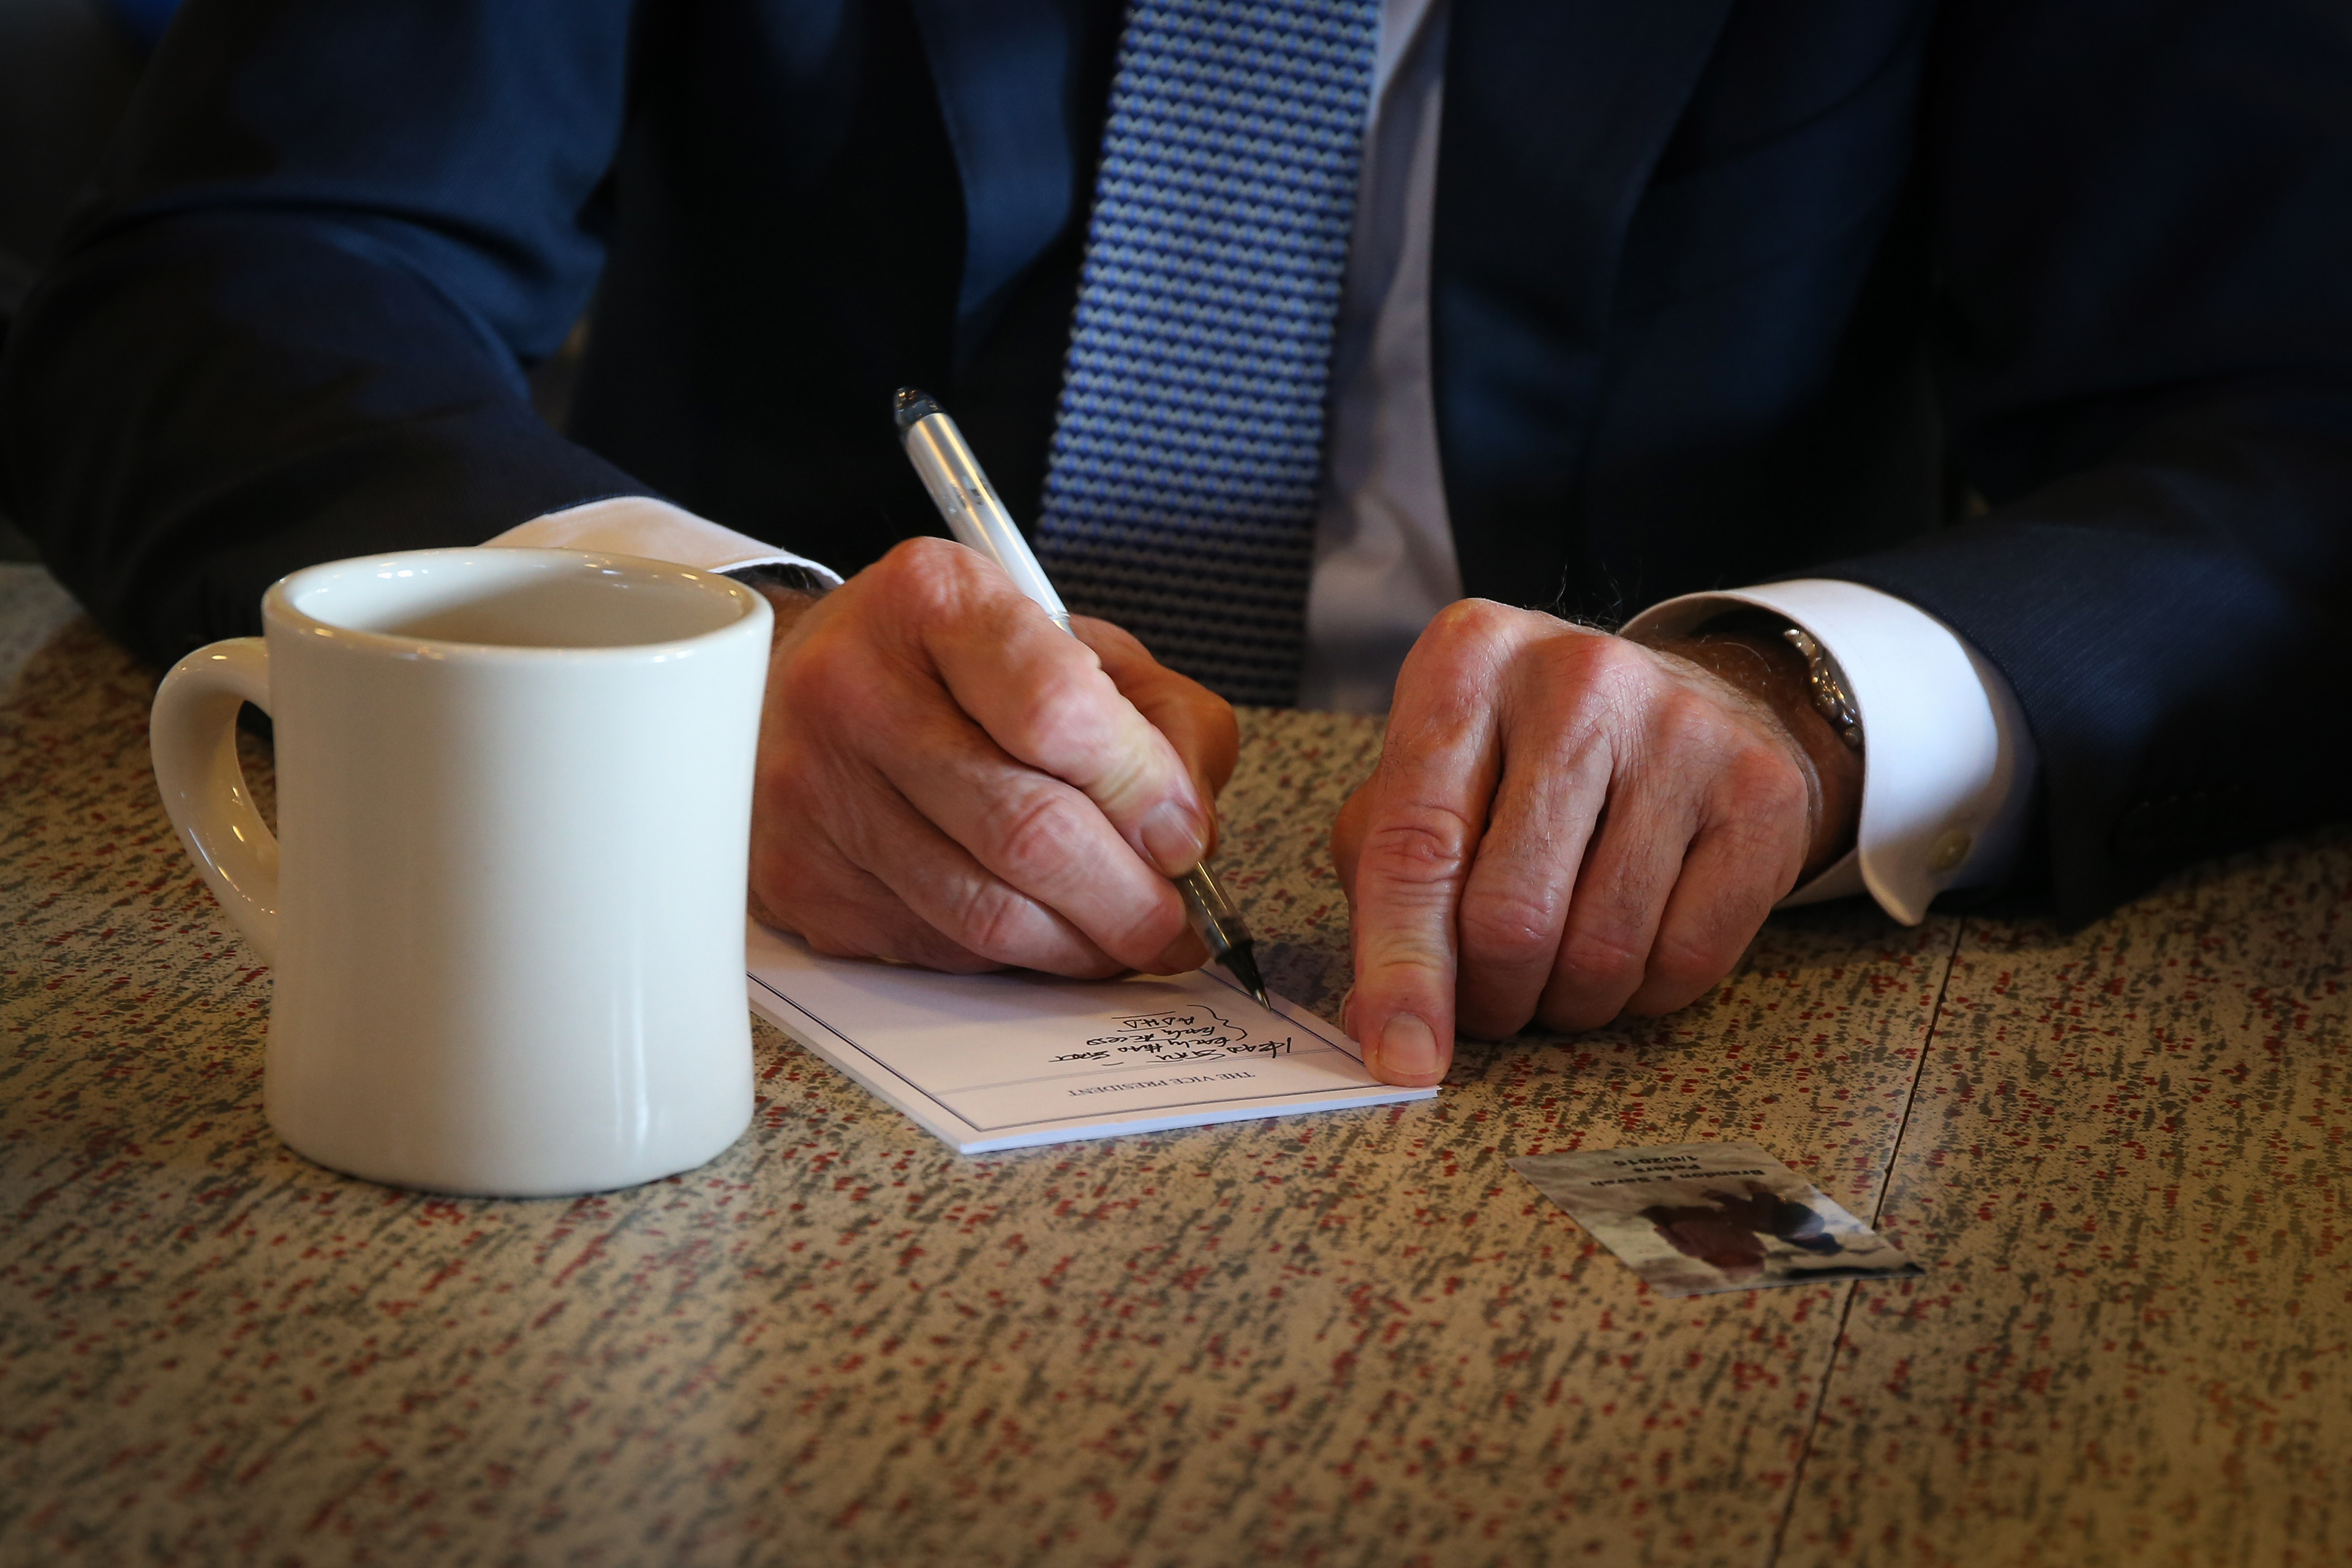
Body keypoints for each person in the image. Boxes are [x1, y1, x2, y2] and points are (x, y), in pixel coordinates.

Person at [4, 0, 2349, 1093]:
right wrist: (692, 654)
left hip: (1704, 1039)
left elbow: (2286, 418)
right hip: (753, 1024)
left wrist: (1816, 702)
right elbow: (245, 270)